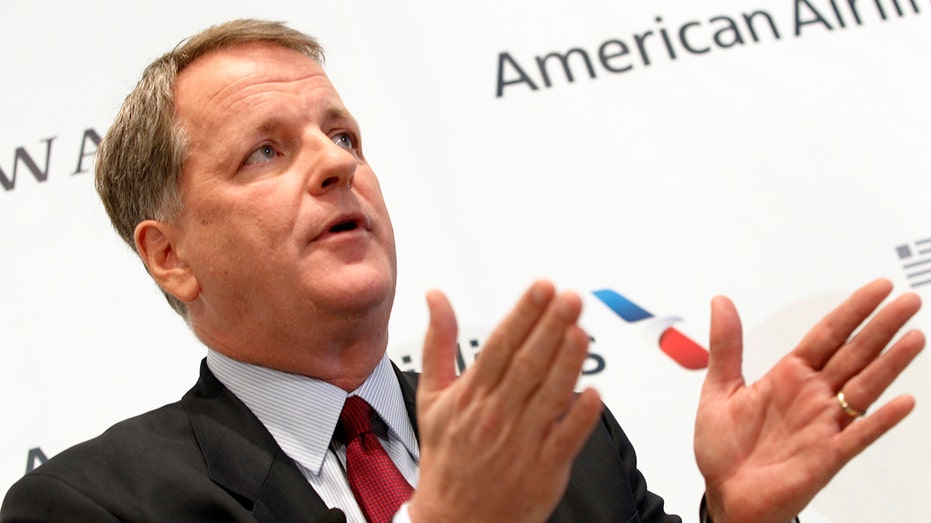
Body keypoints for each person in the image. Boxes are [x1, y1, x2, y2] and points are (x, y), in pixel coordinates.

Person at [0, 19, 923, 523]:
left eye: (343, 135)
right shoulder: (89, 509)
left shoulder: (558, 440)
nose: (334, 164)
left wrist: (741, 521)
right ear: (170, 256)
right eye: (264, 153)